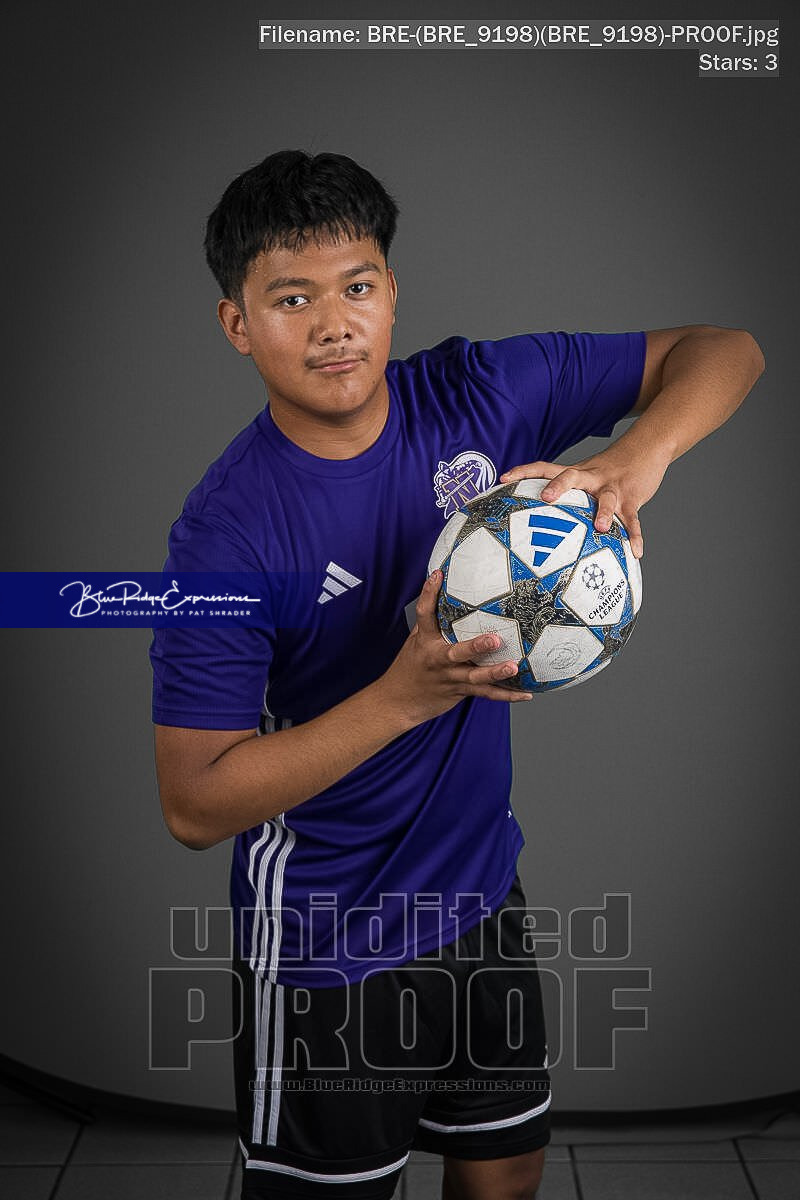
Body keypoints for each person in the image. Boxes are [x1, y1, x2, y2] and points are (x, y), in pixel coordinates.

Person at [149, 150, 764, 1199]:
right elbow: (194, 804)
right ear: (237, 324)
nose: (333, 324)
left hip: (479, 893)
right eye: (291, 299)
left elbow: (726, 351)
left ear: (391, 292)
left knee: (505, 1172)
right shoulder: (224, 535)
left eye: (356, 287)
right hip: (329, 941)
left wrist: (635, 458)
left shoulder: (477, 394)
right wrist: (403, 699)